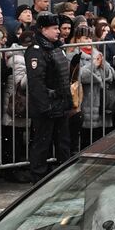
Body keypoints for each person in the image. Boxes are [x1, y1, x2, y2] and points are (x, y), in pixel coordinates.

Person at [25, 13, 74, 178]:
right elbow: (36, 82)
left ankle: (64, 175)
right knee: (42, 144)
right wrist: (45, 106)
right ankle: (38, 176)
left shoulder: (56, 47)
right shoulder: (36, 51)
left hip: (60, 103)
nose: (58, 32)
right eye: (54, 28)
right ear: (43, 29)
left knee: (63, 143)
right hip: (46, 106)